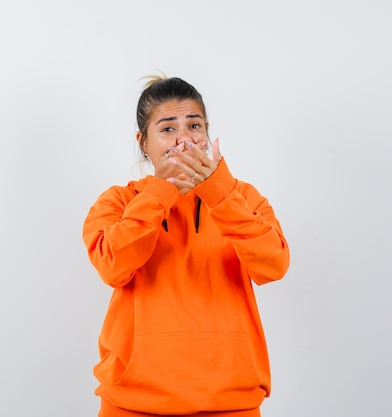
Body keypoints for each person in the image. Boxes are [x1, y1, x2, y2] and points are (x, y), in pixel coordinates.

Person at [82, 74, 290, 417]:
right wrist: (161, 192)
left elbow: (273, 266)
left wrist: (218, 193)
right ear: (143, 142)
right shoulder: (119, 201)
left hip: (231, 403)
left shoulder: (242, 198)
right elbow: (112, 266)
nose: (183, 140)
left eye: (194, 126)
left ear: (207, 133)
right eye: (167, 129)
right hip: (132, 405)